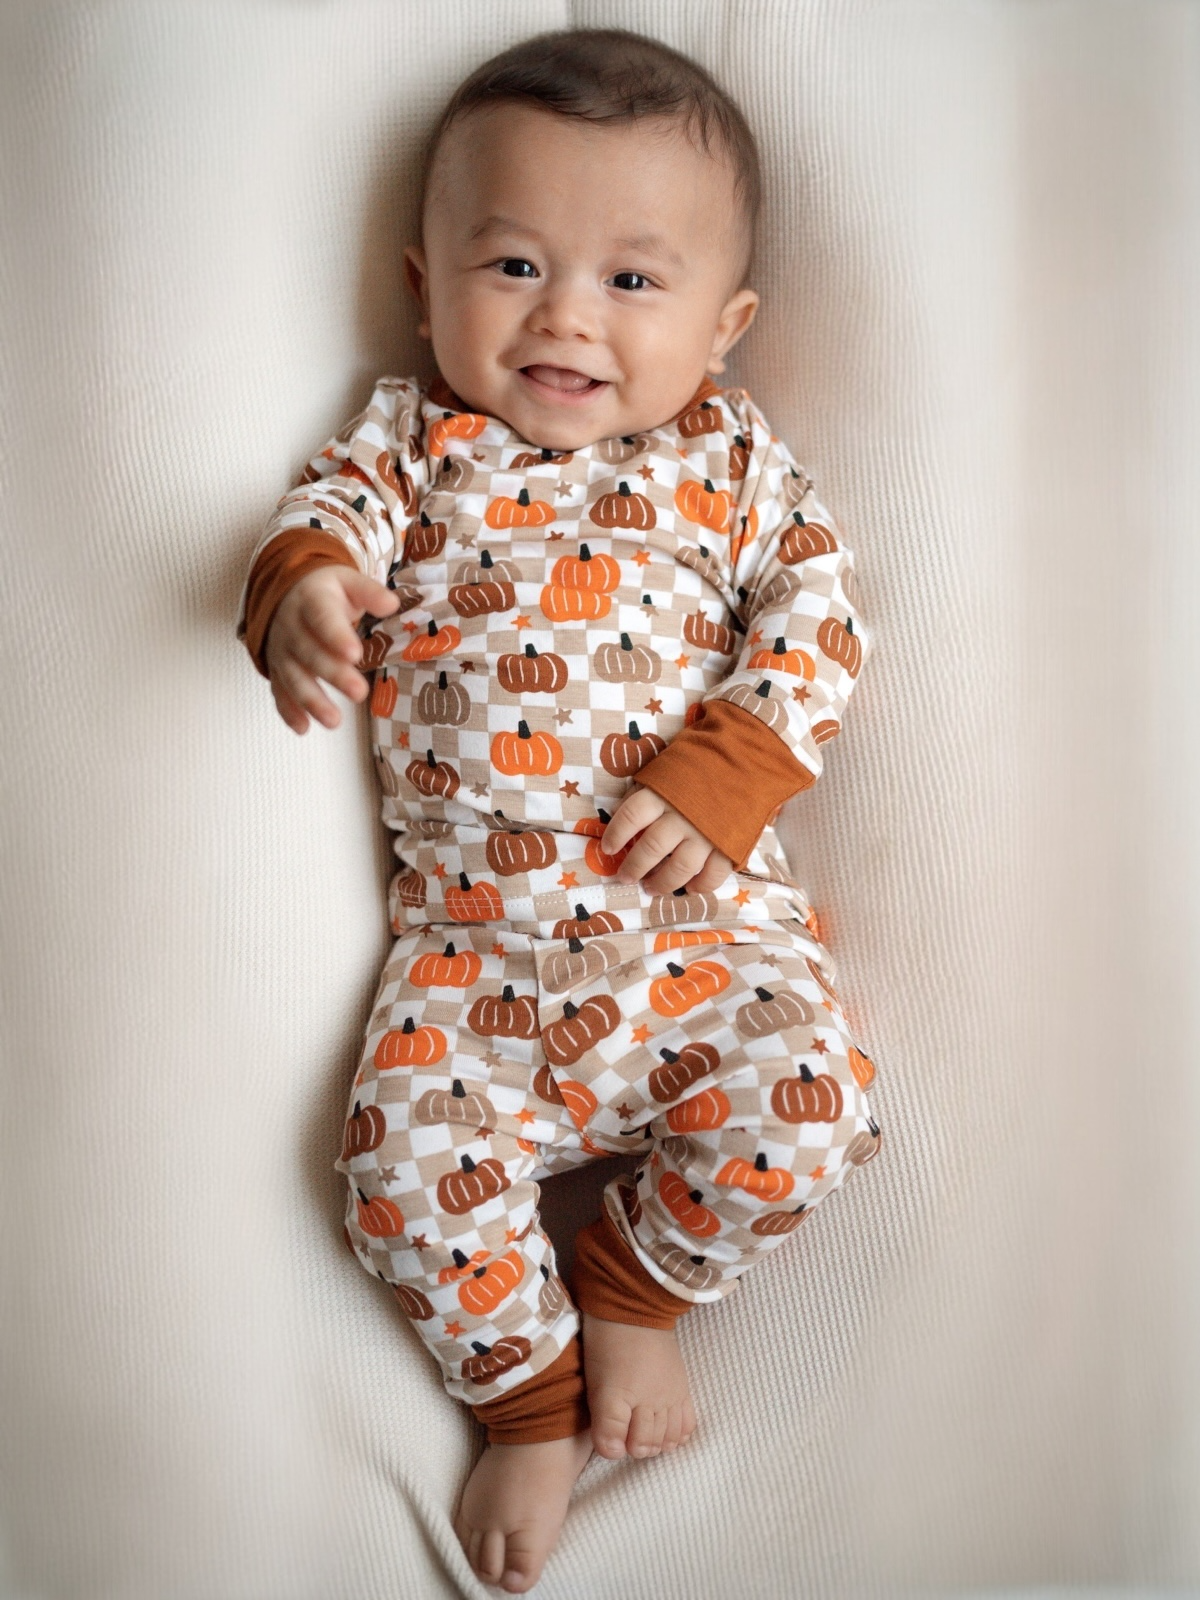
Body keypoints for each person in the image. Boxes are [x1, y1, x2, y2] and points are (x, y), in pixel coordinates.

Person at [236, 27, 880, 1595]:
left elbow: (818, 614)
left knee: (812, 1113)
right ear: (425, 285)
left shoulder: (727, 457)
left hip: (699, 939)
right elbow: (321, 519)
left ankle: (636, 1287)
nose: (567, 317)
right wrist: (306, 590)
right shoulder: (413, 439)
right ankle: (525, 1396)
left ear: (725, 327)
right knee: (396, 1183)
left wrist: (736, 761)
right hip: (470, 969)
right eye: (514, 264)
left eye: (632, 281)